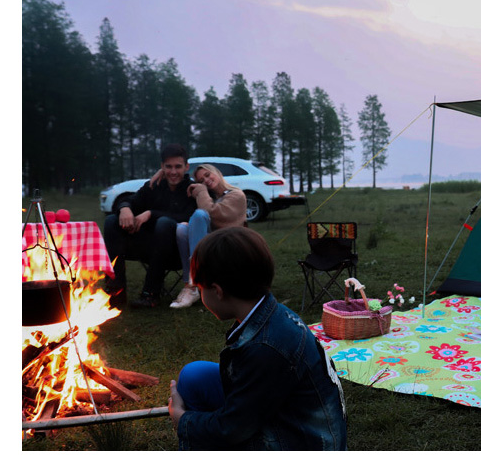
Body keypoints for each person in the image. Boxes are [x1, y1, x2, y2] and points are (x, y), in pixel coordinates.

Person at [169, 227, 347, 450]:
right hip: (289, 416)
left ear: (217, 291)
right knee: (194, 376)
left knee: (209, 426)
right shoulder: (271, 313)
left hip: (301, 442)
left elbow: (233, 428)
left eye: (200, 287)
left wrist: (181, 420)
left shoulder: (266, 347)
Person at [102, 143, 195, 308]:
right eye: (168, 167)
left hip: (176, 252)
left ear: (186, 167)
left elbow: (188, 217)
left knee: (164, 223)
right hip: (148, 248)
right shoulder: (154, 186)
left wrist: (151, 213)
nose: (173, 172)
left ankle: (150, 294)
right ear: (162, 167)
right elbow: (130, 200)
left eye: (178, 167)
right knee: (111, 221)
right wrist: (124, 209)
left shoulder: (192, 189)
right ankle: (116, 291)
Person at [171, 164, 248, 310]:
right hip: (210, 245)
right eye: (200, 180)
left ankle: (193, 279)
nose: (205, 181)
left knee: (200, 214)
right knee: (181, 229)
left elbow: (211, 213)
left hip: (230, 245)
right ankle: (191, 286)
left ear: (216, 173)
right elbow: (207, 220)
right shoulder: (209, 197)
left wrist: (200, 190)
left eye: (207, 175)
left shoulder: (236, 195)